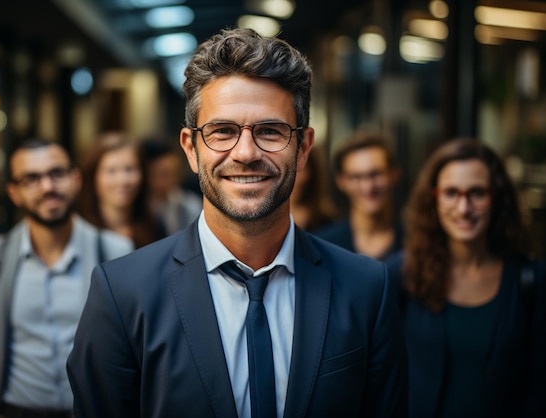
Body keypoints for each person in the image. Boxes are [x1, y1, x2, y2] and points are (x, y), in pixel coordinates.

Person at [67, 27, 406, 418]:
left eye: (270, 131)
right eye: (222, 131)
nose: (245, 152)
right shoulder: (123, 294)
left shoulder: (367, 289)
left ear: (304, 148)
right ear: (191, 149)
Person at [0, 138, 133, 418]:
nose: (47, 187)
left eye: (57, 173)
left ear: (75, 179)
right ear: (14, 193)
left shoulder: (116, 252)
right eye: (31, 179)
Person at [386, 138, 546, 417]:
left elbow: (540, 386)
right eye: (451, 193)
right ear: (433, 199)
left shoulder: (531, 280)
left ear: (497, 198)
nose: (463, 208)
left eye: (477, 193)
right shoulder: (401, 275)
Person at [315, 130, 403, 260]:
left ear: (394, 174)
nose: (368, 187)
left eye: (376, 174)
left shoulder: (416, 241)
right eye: (356, 177)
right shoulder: (324, 246)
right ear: (341, 182)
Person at [78, 131, 164, 248]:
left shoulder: (155, 226)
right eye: (111, 171)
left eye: (129, 169)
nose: (122, 180)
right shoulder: (80, 231)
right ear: (93, 176)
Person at [140, 136, 203, 236]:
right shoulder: (137, 210)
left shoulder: (189, 204)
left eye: (176, 173)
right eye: (163, 175)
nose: (172, 180)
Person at [289, 145, 340, 232]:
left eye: (302, 168)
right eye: (290, 168)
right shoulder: (262, 222)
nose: (299, 178)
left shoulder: (328, 223)